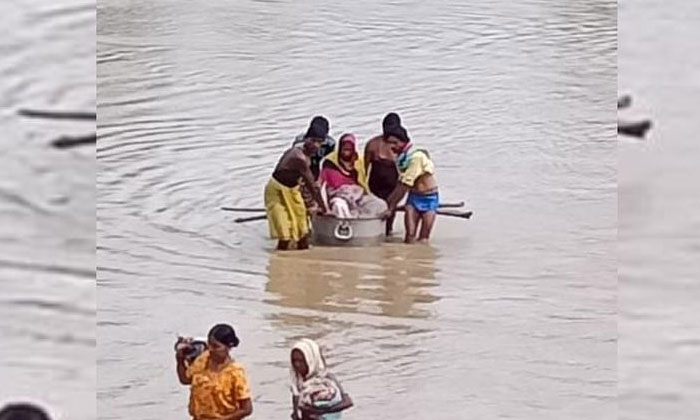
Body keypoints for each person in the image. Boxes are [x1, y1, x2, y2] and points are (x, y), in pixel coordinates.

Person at [265, 123, 329, 250]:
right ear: (306, 139)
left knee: (303, 231)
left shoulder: (307, 156)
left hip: (293, 190)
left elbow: (305, 185)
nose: (316, 145)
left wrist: (311, 203)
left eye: (320, 142)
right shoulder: (298, 156)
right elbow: (313, 187)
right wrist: (324, 208)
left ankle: (301, 262)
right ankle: (280, 262)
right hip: (277, 191)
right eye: (313, 141)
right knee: (285, 234)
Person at [176, 324, 253, 420]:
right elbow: (185, 380)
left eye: (216, 346)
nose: (211, 349)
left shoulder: (235, 372)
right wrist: (180, 361)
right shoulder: (203, 360)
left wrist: (224, 419)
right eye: (210, 344)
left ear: (228, 347)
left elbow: (247, 409)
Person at [384, 126, 439, 243]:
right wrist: (388, 203)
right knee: (409, 236)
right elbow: (400, 182)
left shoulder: (416, 158)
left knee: (424, 238)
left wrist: (391, 207)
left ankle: (421, 260)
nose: (391, 147)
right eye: (389, 143)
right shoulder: (402, 158)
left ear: (403, 142)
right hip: (414, 197)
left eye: (394, 143)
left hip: (429, 198)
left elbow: (406, 184)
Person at [319, 133, 386, 218]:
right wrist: (324, 207)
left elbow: (363, 181)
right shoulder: (330, 163)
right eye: (344, 147)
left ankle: (364, 224)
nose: (346, 150)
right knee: (339, 206)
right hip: (338, 196)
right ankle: (346, 227)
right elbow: (322, 187)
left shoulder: (358, 161)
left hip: (357, 196)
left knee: (380, 204)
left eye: (349, 148)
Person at [290, 339, 353, 420]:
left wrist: (317, 410)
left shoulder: (327, 381)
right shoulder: (297, 382)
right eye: (294, 360)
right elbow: (296, 409)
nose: (297, 364)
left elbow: (347, 402)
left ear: (310, 359)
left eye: (301, 360)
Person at [364, 113, 402, 235]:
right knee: (375, 210)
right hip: (375, 185)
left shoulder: (400, 144)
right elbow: (364, 168)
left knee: (391, 211)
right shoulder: (373, 144)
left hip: (393, 186)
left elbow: (406, 168)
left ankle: (388, 233)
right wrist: (362, 187)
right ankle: (375, 232)